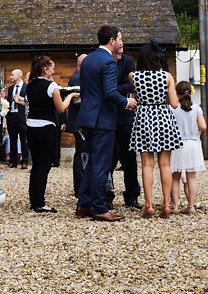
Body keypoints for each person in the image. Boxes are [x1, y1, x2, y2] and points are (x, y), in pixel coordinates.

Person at [75, 25, 137, 222]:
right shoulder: (108, 62)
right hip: (103, 119)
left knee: (93, 162)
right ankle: (100, 208)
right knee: (101, 164)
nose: (121, 42)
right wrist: (127, 101)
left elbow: (86, 91)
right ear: (112, 41)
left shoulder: (88, 60)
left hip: (88, 117)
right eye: (120, 39)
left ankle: (84, 204)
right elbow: (109, 92)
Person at [128, 40, 182, 219]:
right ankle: (166, 205)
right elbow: (174, 104)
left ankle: (149, 205)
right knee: (165, 164)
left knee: (146, 165)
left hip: (143, 118)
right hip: (164, 119)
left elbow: (134, 95)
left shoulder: (133, 76)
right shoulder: (166, 76)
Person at [25, 55, 78, 213]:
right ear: (45, 69)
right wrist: (70, 96)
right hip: (46, 128)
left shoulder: (30, 85)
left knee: (36, 165)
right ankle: (40, 203)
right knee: (44, 166)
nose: (54, 71)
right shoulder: (52, 86)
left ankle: (34, 200)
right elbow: (61, 108)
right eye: (52, 68)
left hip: (31, 128)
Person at [106, 45, 141, 209]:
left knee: (129, 160)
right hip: (108, 117)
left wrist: (111, 90)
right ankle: (106, 196)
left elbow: (130, 86)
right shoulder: (105, 61)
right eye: (118, 48)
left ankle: (132, 196)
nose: (121, 51)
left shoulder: (127, 61)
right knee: (109, 160)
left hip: (126, 117)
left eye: (122, 48)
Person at [169, 80, 206, 215]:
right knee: (192, 177)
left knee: (175, 177)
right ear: (190, 92)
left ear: (176, 93)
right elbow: (203, 126)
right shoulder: (196, 108)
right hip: (193, 145)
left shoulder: (172, 108)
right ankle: (191, 206)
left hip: (177, 144)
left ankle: (175, 206)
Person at [66, 53, 86, 198]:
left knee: (81, 153)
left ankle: (80, 186)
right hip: (79, 122)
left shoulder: (78, 77)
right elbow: (78, 103)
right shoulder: (78, 78)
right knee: (80, 154)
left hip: (79, 121)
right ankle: (79, 188)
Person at [4, 68, 29, 168]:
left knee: (24, 139)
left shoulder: (26, 88)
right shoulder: (10, 89)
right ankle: (13, 161)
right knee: (12, 140)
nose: (11, 76)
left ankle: (24, 161)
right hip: (12, 117)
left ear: (19, 76)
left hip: (22, 117)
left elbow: (28, 103)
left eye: (12, 74)